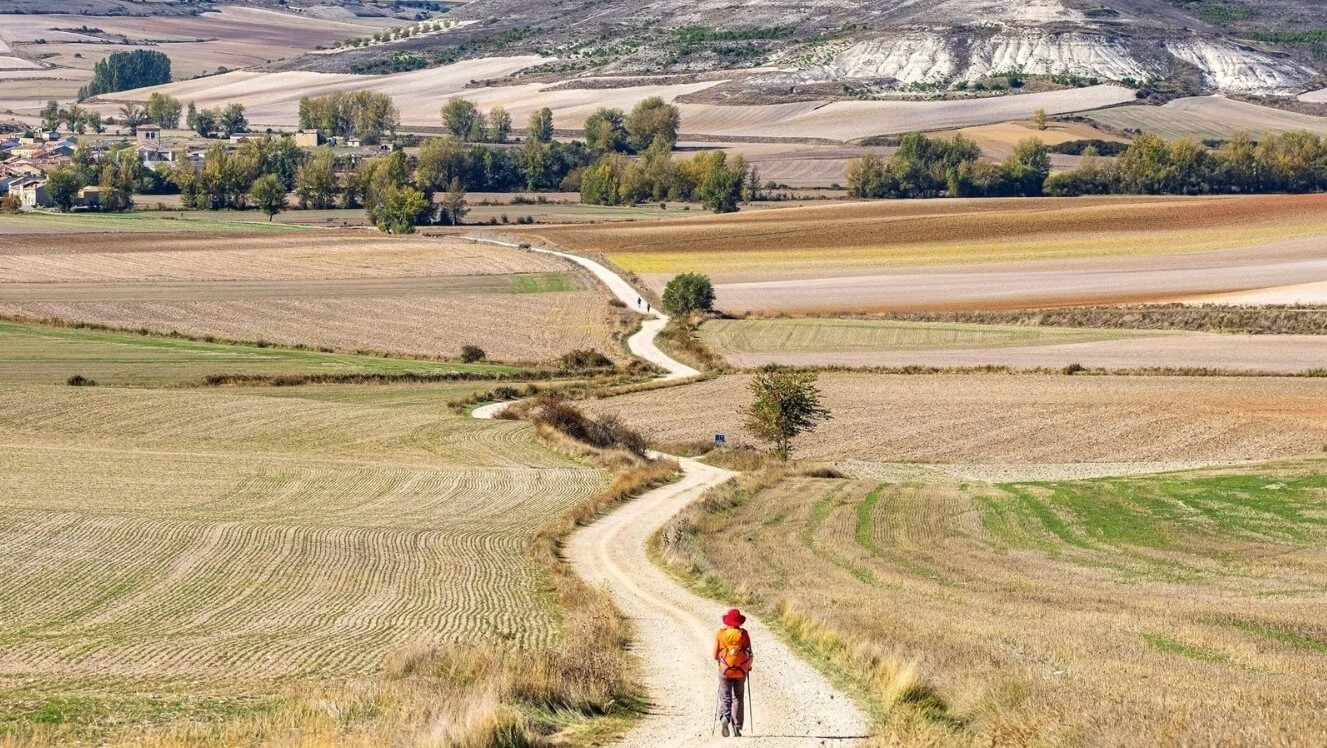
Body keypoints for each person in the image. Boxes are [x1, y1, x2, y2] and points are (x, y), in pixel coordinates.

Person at [714, 607, 753, 737]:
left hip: (725, 669)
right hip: (741, 670)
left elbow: (715, 654)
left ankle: (725, 717)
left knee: (725, 696)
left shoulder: (721, 634)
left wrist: (721, 661)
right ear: (739, 622)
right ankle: (737, 727)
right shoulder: (744, 634)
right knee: (738, 697)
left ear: (727, 622)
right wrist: (749, 667)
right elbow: (749, 653)